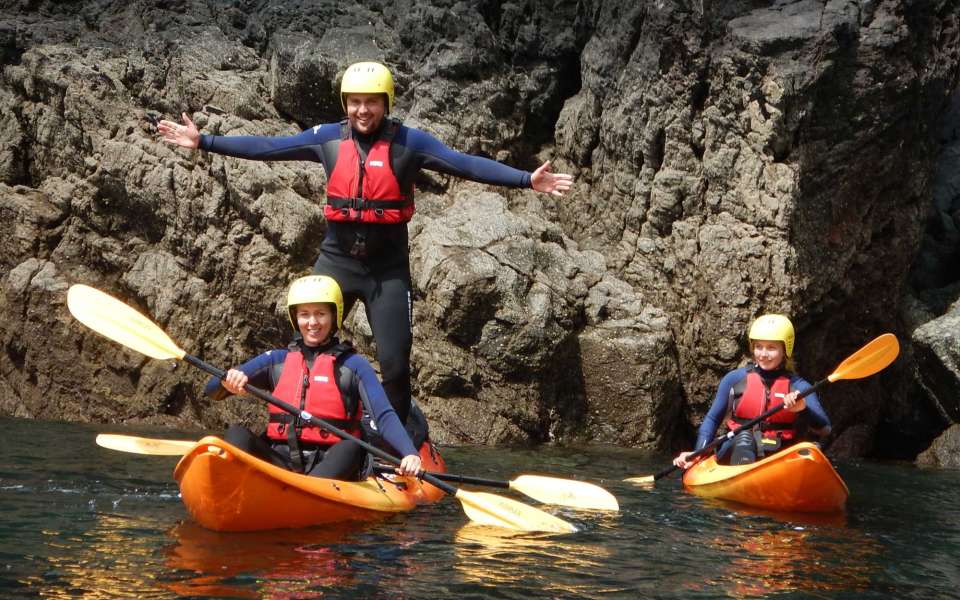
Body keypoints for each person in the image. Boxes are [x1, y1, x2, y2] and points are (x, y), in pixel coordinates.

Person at [159, 61, 574, 425]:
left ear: (386, 103)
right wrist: (206, 141)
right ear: (345, 104)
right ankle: (308, 427)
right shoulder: (328, 139)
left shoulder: (410, 144)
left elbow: (464, 163)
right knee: (307, 345)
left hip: (386, 272)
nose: (362, 110)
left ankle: (396, 448)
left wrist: (525, 179)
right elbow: (270, 147)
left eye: (371, 102)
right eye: (354, 102)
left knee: (394, 364)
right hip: (336, 263)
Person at [204, 274, 422, 480]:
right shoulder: (276, 361)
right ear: (295, 318)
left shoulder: (353, 365)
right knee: (236, 433)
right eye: (304, 314)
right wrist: (227, 382)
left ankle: (307, 493)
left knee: (353, 446)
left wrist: (409, 453)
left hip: (332, 463)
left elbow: (383, 415)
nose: (312, 322)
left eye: (320, 314)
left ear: (334, 316)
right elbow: (212, 390)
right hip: (280, 461)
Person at [673, 314, 832, 469]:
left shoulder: (799, 386)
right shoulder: (735, 379)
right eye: (758, 347)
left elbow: (824, 429)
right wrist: (697, 453)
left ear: (785, 350)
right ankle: (741, 484)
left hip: (778, 452)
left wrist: (803, 409)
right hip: (736, 449)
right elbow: (713, 420)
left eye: (771, 348)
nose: (763, 354)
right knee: (745, 439)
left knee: (812, 448)